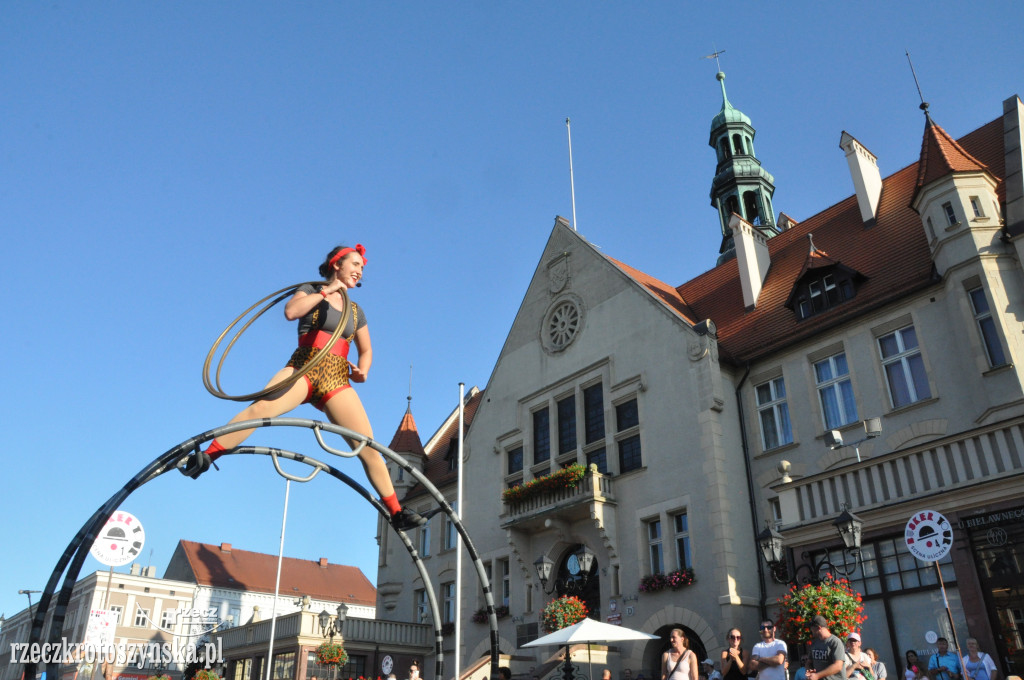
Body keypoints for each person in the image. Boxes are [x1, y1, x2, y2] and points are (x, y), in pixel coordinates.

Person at [180, 244, 428, 530]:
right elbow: (291, 312)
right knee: (259, 411)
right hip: (304, 367)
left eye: (362, 267)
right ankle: (208, 456)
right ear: (337, 264)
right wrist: (327, 290)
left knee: (368, 446)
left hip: (336, 377)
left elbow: (367, 349)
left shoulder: (356, 311)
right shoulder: (310, 290)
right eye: (356, 263)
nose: (360, 270)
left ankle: (396, 513)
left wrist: (364, 370)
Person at [806, 616, 845, 680]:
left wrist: (817, 676)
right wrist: (810, 674)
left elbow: (838, 666)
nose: (810, 629)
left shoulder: (835, 642)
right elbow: (809, 663)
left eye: (812, 627)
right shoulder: (814, 642)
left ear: (819, 628)